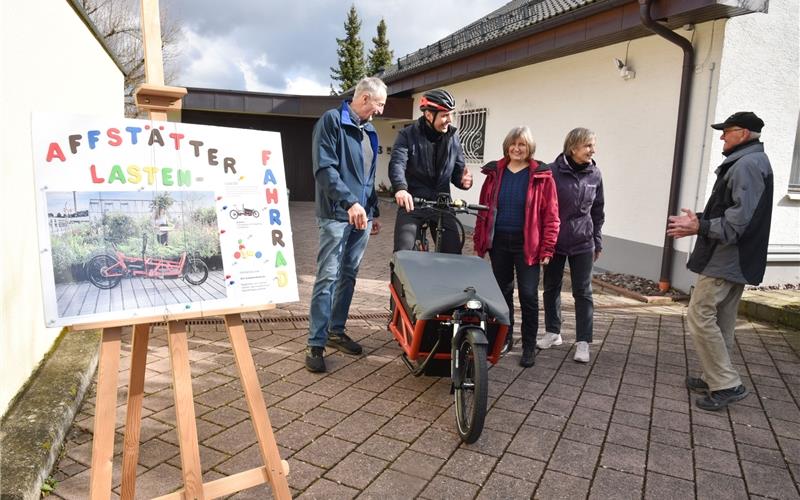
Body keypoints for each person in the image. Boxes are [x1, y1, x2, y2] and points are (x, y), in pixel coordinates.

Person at [667, 111, 773, 411]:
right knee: (723, 320)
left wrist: (698, 226)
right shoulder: (750, 162)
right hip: (735, 258)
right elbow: (732, 212)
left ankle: (726, 384)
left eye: (727, 131)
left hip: (727, 258)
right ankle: (714, 376)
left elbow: (738, 222)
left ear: (743, 133)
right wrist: (700, 220)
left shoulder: (748, 165)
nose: (722, 137)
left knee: (700, 315)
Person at [305, 76, 387, 373]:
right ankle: (315, 341)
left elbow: (369, 176)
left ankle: (336, 331)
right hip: (336, 215)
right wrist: (350, 203)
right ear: (364, 98)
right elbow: (324, 169)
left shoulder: (370, 132)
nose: (379, 111)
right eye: (378, 105)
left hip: (361, 217)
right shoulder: (332, 121)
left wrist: (372, 210)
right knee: (328, 276)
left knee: (349, 275)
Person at [473, 126, 559, 366]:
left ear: (529, 147)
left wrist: (548, 248)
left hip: (527, 246)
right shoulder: (494, 173)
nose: (517, 148)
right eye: (513, 143)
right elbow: (483, 211)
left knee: (529, 295)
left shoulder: (542, 176)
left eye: (522, 144)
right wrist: (480, 242)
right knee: (502, 293)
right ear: (507, 145)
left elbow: (551, 215)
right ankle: (505, 337)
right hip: (499, 243)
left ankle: (529, 345)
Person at [539, 128, 604, 363]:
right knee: (551, 287)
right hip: (555, 242)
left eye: (593, 146)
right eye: (588, 146)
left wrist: (597, 240)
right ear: (573, 147)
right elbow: (541, 208)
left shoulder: (595, 174)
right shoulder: (551, 172)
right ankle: (553, 332)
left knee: (583, 292)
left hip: (583, 242)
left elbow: (598, 211)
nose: (593, 150)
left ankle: (583, 341)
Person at [389, 89, 473, 254]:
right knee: (402, 252)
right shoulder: (407, 135)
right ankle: (396, 279)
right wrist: (400, 188)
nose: (449, 120)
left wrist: (464, 181)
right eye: (444, 115)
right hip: (413, 203)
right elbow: (397, 163)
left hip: (442, 203)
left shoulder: (453, 137)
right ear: (428, 115)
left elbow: (458, 171)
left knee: (453, 254)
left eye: (450, 114)